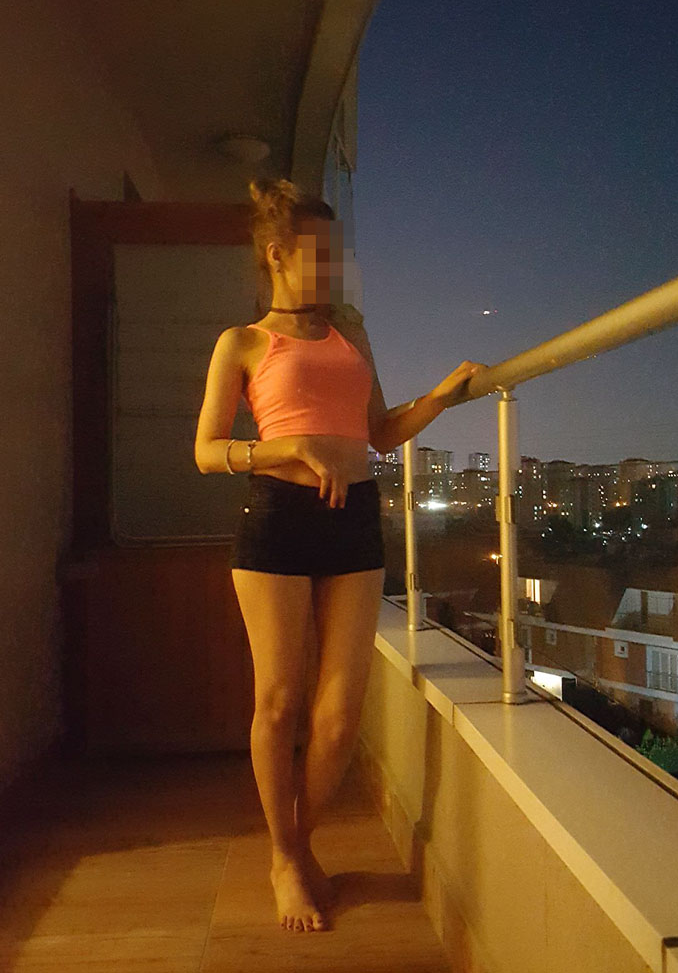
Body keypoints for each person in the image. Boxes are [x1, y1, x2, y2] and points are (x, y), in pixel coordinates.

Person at [194, 177, 485, 933]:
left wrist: (440, 397)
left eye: (336, 253)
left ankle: (296, 844)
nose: (332, 267)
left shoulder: (350, 333)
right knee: (278, 701)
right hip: (276, 518)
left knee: (338, 716)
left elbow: (379, 432)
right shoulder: (242, 342)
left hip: (354, 517)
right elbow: (206, 450)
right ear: (276, 254)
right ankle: (285, 858)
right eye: (318, 252)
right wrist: (286, 446)